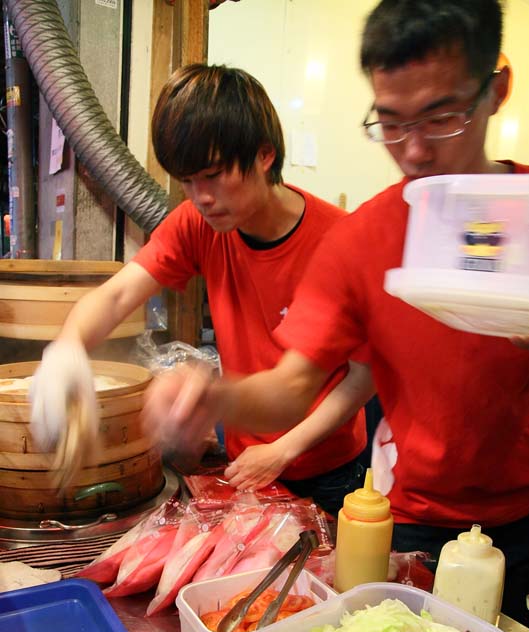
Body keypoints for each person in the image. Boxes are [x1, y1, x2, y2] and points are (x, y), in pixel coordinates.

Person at [142, 0, 529, 626]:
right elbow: (292, 385)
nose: (415, 152)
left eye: (442, 117)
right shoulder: (360, 241)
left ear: (496, 91)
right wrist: (209, 396)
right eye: (392, 123)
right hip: (416, 520)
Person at [30, 64, 371, 517]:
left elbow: (363, 377)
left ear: (264, 155)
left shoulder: (341, 240)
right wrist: (67, 348)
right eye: (188, 181)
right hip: (244, 455)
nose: (200, 196)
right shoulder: (197, 224)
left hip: (327, 467)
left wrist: (284, 450)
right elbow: (114, 296)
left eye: (212, 175)